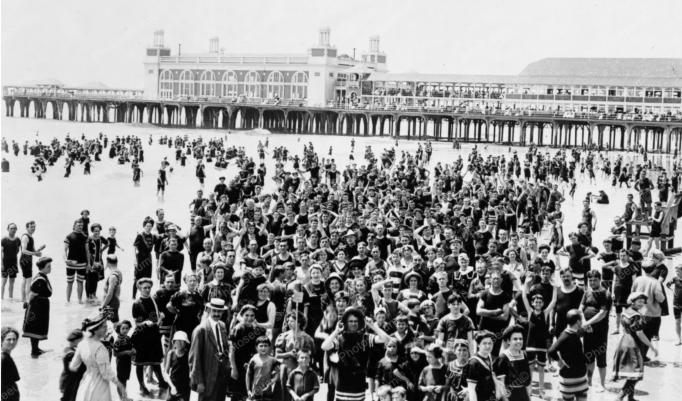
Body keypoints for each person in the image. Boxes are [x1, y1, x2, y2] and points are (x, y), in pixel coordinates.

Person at [321, 307, 390, 401]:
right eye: (350, 321)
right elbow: (324, 346)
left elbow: (387, 339)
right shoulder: (340, 338)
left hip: (359, 386)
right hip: (343, 386)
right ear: (345, 322)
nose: (353, 324)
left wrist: (372, 326)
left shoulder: (365, 338)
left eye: (356, 321)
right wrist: (336, 331)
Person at [612, 292, 659, 401]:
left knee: (631, 372)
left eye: (643, 302)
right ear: (632, 301)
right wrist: (652, 346)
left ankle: (631, 397)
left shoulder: (626, 312)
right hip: (633, 345)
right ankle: (620, 396)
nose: (641, 303)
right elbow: (639, 333)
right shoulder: (636, 316)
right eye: (639, 301)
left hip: (623, 342)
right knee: (635, 375)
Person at [69, 314, 127, 401]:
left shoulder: (82, 344)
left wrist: (89, 366)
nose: (106, 329)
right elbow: (105, 373)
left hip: (85, 383)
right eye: (104, 327)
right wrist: (119, 384)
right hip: (99, 387)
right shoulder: (100, 348)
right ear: (96, 329)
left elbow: (73, 366)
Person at [131, 277, 168, 396]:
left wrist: (160, 317)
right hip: (142, 337)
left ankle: (161, 381)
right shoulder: (137, 304)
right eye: (144, 288)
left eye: (148, 287)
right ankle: (142, 386)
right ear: (139, 289)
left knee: (155, 360)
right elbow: (136, 323)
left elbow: (156, 317)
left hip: (154, 335)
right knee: (140, 363)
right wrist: (144, 323)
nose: (147, 290)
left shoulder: (153, 300)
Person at [189, 298, 231, 401]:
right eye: (214, 311)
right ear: (208, 310)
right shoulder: (201, 330)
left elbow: (225, 347)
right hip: (207, 374)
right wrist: (199, 381)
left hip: (221, 372)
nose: (217, 314)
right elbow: (194, 358)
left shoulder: (222, 325)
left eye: (219, 311)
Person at [579, 270, 611, 392]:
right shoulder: (587, 292)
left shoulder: (605, 294)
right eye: (590, 280)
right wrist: (583, 322)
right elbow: (581, 308)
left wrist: (588, 323)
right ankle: (589, 381)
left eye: (595, 280)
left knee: (601, 359)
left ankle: (603, 384)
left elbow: (602, 314)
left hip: (600, 331)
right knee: (588, 357)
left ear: (599, 279)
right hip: (588, 331)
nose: (592, 282)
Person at [548, 309, 588, 401]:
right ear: (578, 322)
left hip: (573, 377)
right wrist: (560, 361)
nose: (582, 321)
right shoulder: (565, 336)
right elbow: (551, 351)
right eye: (581, 319)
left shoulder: (570, 334)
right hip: (572, 378)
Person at [630, 259, 665, 359]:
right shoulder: (655, 282)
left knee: (638, 334)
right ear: (654, 270)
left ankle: (637, 355)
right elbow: (660, 298)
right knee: (648, 336)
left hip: (638, 311)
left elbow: (632, 293)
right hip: (651, 313)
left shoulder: (637, 279)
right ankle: (643, 356)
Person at [22, 256, 53, 358]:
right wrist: (29, 305)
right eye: (48, 266)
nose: (50, 268)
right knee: (35, 327)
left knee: (38, 327)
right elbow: (32, 293)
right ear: (43, 267)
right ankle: (34, 351)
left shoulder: (42, 276)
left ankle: (36, 349)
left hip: (41, 305)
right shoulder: (40, 279)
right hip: (37, 306)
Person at [493, 325, 532, 401]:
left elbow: (528, 382)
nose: (519, 341)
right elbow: (500, 383)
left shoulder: (524, 355)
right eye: (515, 339)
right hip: (508, 397)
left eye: (520, 339)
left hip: (523, 395)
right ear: (508, 341)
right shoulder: (503, 357)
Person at [464, 330, 499, 401]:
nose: (488, 346)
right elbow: (471, 390)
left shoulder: (490, 357)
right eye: (484, 343)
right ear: (478, 345)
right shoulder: (473, 363)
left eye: (490, 343)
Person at [246, 336, 279, 401]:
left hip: (268, 392)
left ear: (269, 347)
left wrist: (270, 383)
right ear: (256, 347)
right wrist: (248, 390)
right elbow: (248, 375)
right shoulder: (253, 360)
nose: (263, 348)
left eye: (265, 346)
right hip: (255, 391)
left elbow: (277, 374)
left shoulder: (273, 360)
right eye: (261, 346)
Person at [20, 221, 45, 306]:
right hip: (24, 261)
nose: (33, 228)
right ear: (27, 228)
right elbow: (23, 250)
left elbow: (33, 251)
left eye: (34, 227)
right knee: (28, 280)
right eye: (31, 227)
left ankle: (23, 299)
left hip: (27, 260)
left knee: (24, 279)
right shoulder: (25, 237)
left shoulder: (31, 237)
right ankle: (27, 300)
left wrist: (38, 251)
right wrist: (34, 253)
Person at [164, 331, 191, 401]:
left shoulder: (189, 354)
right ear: (174, 342)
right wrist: (172, 386)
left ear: (185, 343)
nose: (179, 343)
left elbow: (192, 370)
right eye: (177, 341)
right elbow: (166, 373)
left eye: (182, 341)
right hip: (173, 384)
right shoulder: (171, 353)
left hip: (185, 386)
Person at [61, 329, 86, 401]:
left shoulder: (67, 349)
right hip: (71, 383)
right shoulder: (71, 354)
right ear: (77, 341)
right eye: (82, 340)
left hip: (66, 380)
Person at [112, 320, 133, 394]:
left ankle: (124, 395)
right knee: (121, 380)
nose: (125, 330)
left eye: (127, 328)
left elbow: (131, 348)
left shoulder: (128, 338)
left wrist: (132, 352)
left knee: (125, 379)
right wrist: (126, 352)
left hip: (128, 362)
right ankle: (121, 397)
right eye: (123, 328)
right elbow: (115, 354)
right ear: (119, 330)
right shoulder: (118, 341)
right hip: (121, 363)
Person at [2, 223, 21, 301]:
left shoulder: (17, 239)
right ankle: (1, 298)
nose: (13, 230)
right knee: (4, 281)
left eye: (14, 228)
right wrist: (2, 264)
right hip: (5, 263)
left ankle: (10, 297)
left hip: (14, 263)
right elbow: (1, 252)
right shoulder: (4, 239)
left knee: (12, 282)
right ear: (8, 229)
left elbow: (18, 249)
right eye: (11, 228)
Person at [1, 326, 20, 401]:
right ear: (2, 341)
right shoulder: (3, 358)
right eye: (8, 339)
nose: (12, 342)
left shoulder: (6, 356)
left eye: (14, 339)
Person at [101, 255, 122, 323]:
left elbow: (110, 293)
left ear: (107, 262)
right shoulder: (119, 272)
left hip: (110, 304)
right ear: (117, 262)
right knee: (115, 323)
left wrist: (103, 305)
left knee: (106, 325)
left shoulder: (112, 276)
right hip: (115, 301)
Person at [665, 264, 682, 345]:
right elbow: (667, 284)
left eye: (678, 271)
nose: (677, 273)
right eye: (676, 271)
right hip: (676, 304)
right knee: (677, 322)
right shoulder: (675, 279)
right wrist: (672, 290)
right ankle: (679, 339)